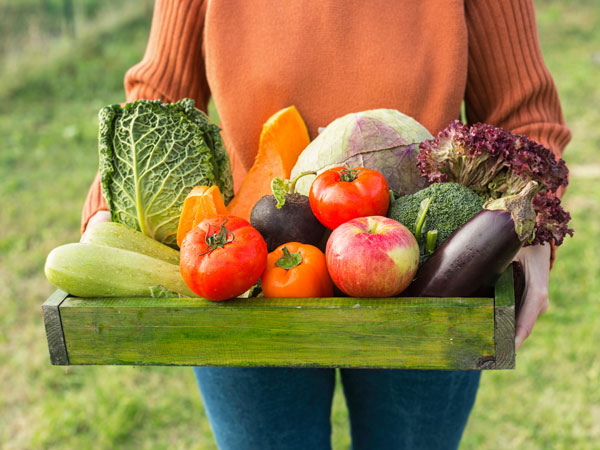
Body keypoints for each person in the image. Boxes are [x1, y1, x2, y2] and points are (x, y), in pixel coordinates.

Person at [82, 1, 571, 448]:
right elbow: (160, 97)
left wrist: (530, 221)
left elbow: (523, 112)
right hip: (245, 270)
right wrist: (115, 202)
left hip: (431, 273)